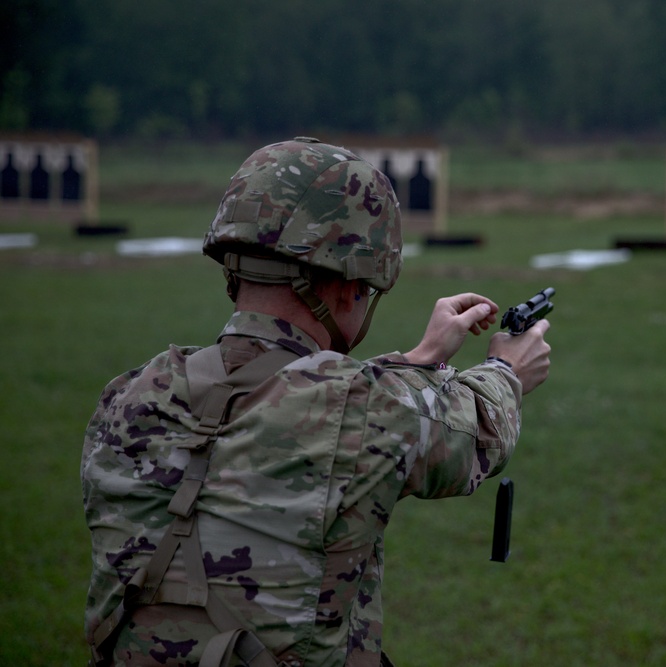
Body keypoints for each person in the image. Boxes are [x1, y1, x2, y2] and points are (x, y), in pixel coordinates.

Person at [82, 138, 551, 667]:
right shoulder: (368, 411)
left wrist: (419, 358)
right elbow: (481, 429)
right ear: (347, 286)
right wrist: (506, 369)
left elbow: (296, 400)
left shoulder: (126, 396)